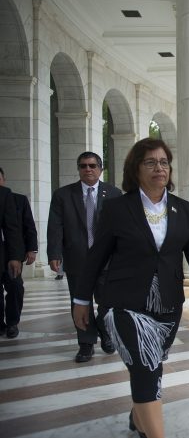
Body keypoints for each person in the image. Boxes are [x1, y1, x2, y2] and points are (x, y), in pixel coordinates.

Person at [73, 138, 189, 438]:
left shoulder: (184, 209)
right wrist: (82, 300)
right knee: (145, 366)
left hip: (167, 303)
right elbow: (96, 256)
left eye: (163, 162)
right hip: (125, 302)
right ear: (135, 169)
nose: (159, 168)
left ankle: (139, 417)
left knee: (153, 364)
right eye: (150, 162)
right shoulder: (116, 209)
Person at [47, 152, 121, 362]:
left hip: (107, 261)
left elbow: (122, 227)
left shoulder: (114, 194)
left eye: (92, 165)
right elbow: (55, 227)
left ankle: (106, 334)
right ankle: (86, 344)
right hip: (77, 259)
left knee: (108, 303)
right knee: (80, 303)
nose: (87, 169)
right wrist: (54, 253)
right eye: (83, 166)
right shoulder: (63, 195)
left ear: (100, 169)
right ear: (78, 169)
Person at [0, 168, 38, 338]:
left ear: (4, 179)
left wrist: (29, 250)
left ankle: (12, 322)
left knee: (15, 287)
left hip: (10, 253)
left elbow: (24, 227)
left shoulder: (16, 199)